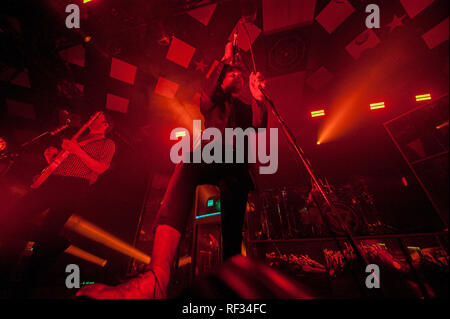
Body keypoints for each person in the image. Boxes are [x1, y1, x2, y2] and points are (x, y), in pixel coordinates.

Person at [77, 42, 268, 299]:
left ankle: (231, 283)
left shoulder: (245, 109)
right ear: (223, 79)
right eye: (233, 74)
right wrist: (224, 60)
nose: (239, 78)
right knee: (187, 163)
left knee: (232, 222)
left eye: (241, 77)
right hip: (210, 155)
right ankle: (158, 276)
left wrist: (258, 98)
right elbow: (208, 97)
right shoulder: (213, 100)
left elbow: (258, 126)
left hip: (236, 163)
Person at [0, 112, 115, 293]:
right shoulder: (78, 140)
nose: (90, 120)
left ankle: (25, 284)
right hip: (53, 182)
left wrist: (76, 150)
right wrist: (50, 161)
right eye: (91, 117)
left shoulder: (107, 143)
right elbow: (61, 165)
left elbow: (100, 168)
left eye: (96, 119)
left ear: (106, 124)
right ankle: (54, 242)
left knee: (48, 230)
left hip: (74, 187)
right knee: (8, 219)